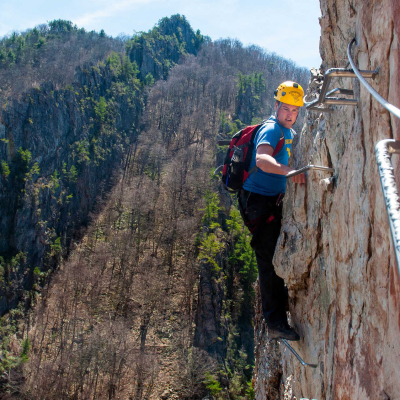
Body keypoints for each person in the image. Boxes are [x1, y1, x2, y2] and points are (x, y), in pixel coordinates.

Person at [238, 81, 306, 341]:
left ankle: (280, 309)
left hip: (269, 200)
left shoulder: (287, 131)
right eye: (286, 108)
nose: (290, 114)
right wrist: (289, 172)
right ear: (276, 106)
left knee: (275, 252)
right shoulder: (271, 129)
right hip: (257, 201)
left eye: (295, 110)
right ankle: (275, 322)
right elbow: (262, 160)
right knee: (268, 260)